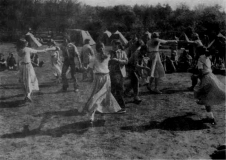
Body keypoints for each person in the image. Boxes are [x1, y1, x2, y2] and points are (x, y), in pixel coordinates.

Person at [79, 42, 121, 123]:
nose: (101, 49)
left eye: (102, 47)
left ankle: (102, 114)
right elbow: (89, 68)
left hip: (107, 78)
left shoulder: (108, 56)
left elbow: (112, 62)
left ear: (104, 48)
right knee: (96, 97)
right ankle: (92, 115)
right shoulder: (94, 58)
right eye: (99, 48)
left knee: (104, 97)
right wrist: (84, 69)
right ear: (97, 49)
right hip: (98, 78)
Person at [194, 48, 225, 125]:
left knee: (205, 97)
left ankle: (211, 118)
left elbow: (201, 72)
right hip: (211, 77)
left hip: (206, 78)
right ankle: (210, 117)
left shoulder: (201, 58)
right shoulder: (208, 59)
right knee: (206, 97)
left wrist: (196, 76)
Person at [109, 40, 128, 113]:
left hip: (120, 74)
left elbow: (126, 61)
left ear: (118, 46)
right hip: (112, 73)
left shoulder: (122, 52)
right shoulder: (110, 53)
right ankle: (113, 107)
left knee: (120, 90)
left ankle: (122, 107)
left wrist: (118, 60)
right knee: (112, 90)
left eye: (115, 45)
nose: (114, 47)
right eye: (113, 45)